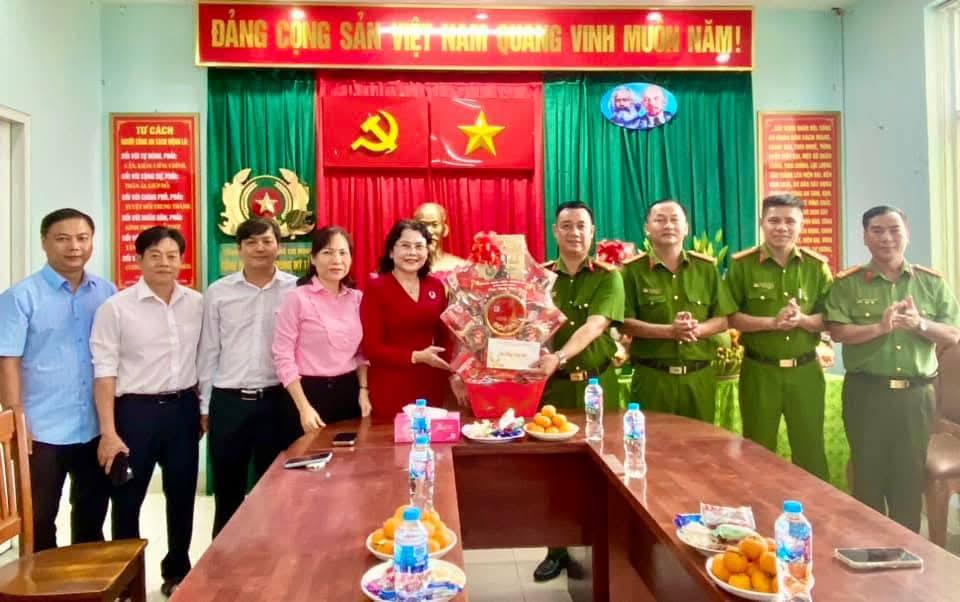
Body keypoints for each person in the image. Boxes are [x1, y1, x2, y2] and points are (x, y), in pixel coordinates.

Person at [825, 206, 960, 532]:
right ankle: (867, 549)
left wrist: (920, 324)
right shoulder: (849, 283)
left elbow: (952, 333)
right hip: (866, 394)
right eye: (877, 231)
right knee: (868, 479)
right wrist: (879, 328)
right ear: (865, 237)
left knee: (908, 482)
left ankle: (906, 555)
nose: (887, 238)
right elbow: (838, 331)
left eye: (894, 229)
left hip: (915, 397)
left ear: (907, 233)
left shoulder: (931, 283)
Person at [91, 226, 203, 597]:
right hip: (134, 413)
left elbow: (205, 359)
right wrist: (109, 432)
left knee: (182, 495)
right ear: (139, 259)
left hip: (182, 410)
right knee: (127, 500)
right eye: (154, 256)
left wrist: (203, 409)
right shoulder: (116, 308)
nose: (164, 263)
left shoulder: (196, 303)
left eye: (172, 256)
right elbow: (104, 373)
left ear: (182, 260)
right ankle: (128, 580)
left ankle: (178, 571)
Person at [0, 209, 115, 552]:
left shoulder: (106, 292)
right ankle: (41, 581)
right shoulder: (20, 297)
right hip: (41, 430)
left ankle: (85, 579)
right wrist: (17, 419)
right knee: (39, 520)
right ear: (44, 243)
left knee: (91, 516)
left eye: (82, 238)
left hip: (92, 426)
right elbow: (7, 361)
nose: (74, 247)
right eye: (62, 239)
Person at [530, 200, 624, 582]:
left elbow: (596, 325)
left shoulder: (608, 277)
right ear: (555, 231)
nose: (574, 233)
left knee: (604, 467)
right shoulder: (539, 278)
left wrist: (559, 356)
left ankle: (605, 545)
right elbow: (525, 325)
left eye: (581, 225)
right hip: (552, 390)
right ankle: (556, 550)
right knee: (554, 473)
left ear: (592, 230)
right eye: (566, 226)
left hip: (597, 384)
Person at [197, 217, 297, 538]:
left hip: (277, 401)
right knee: (228, 491)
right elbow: (209, 351)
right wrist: (205, 405)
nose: (259, 248)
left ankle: (271, 557)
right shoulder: (218, 292)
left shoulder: (295, 290)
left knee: (276, 489)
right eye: (251, 242)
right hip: (229, 403)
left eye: (267, 241)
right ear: (239, 249)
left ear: (279, 247)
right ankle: (223, 561)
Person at [726, 195, 832, 481]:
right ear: (762, 222)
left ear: (801, 224)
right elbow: (730, 317)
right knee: (757, 451)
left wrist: (802, 320)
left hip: (805, 372)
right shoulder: (742, 265)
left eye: (790, 221)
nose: (782, 227)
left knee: (810, 450)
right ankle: (759, 507)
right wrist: (772, 323)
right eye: (774, 220)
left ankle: (814, 508)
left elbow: (831, 319)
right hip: (760, 372)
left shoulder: (816, 266)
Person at [621, 199, 736, 423]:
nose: (668, 225)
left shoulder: (706, 269)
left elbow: (723, 318)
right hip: (653, 379)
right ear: (647, 228)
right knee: (653, 441)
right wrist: (669, 332)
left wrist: (696, 329)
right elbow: (623, 322)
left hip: (699, 379)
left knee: (700, 442)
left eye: (675, 220)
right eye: (660, 220)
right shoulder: (632, 271)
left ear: (686, 228)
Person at [272, 226, 370, 435]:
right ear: (313, 259)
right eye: (327, 252)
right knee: (307, 455)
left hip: (348, 392)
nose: (337, 260)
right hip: (307, 394)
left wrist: (363, 390)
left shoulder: (357, 299)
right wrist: (303, 408)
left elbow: (361, 353)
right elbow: (283, 356)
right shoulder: (296, 298)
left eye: (343, 253)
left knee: (348, 454)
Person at [360, 220, 451, 420]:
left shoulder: (435, 286)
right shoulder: (377, 289)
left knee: (430, 437)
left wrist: (452, 372)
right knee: (393, 438)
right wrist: (416, 356)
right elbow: (371, 348)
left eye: (419, 246)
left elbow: (445, 336)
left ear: (427, 251)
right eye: (405, 245)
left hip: (430, 382)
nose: (412, 252)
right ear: (391, 251)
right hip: (391, 384)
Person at [414, 202, 468, 275]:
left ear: (445, 230)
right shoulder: (404, 268)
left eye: (434, 225)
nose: (429, 231)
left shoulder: (461, 267)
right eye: (423, 225)